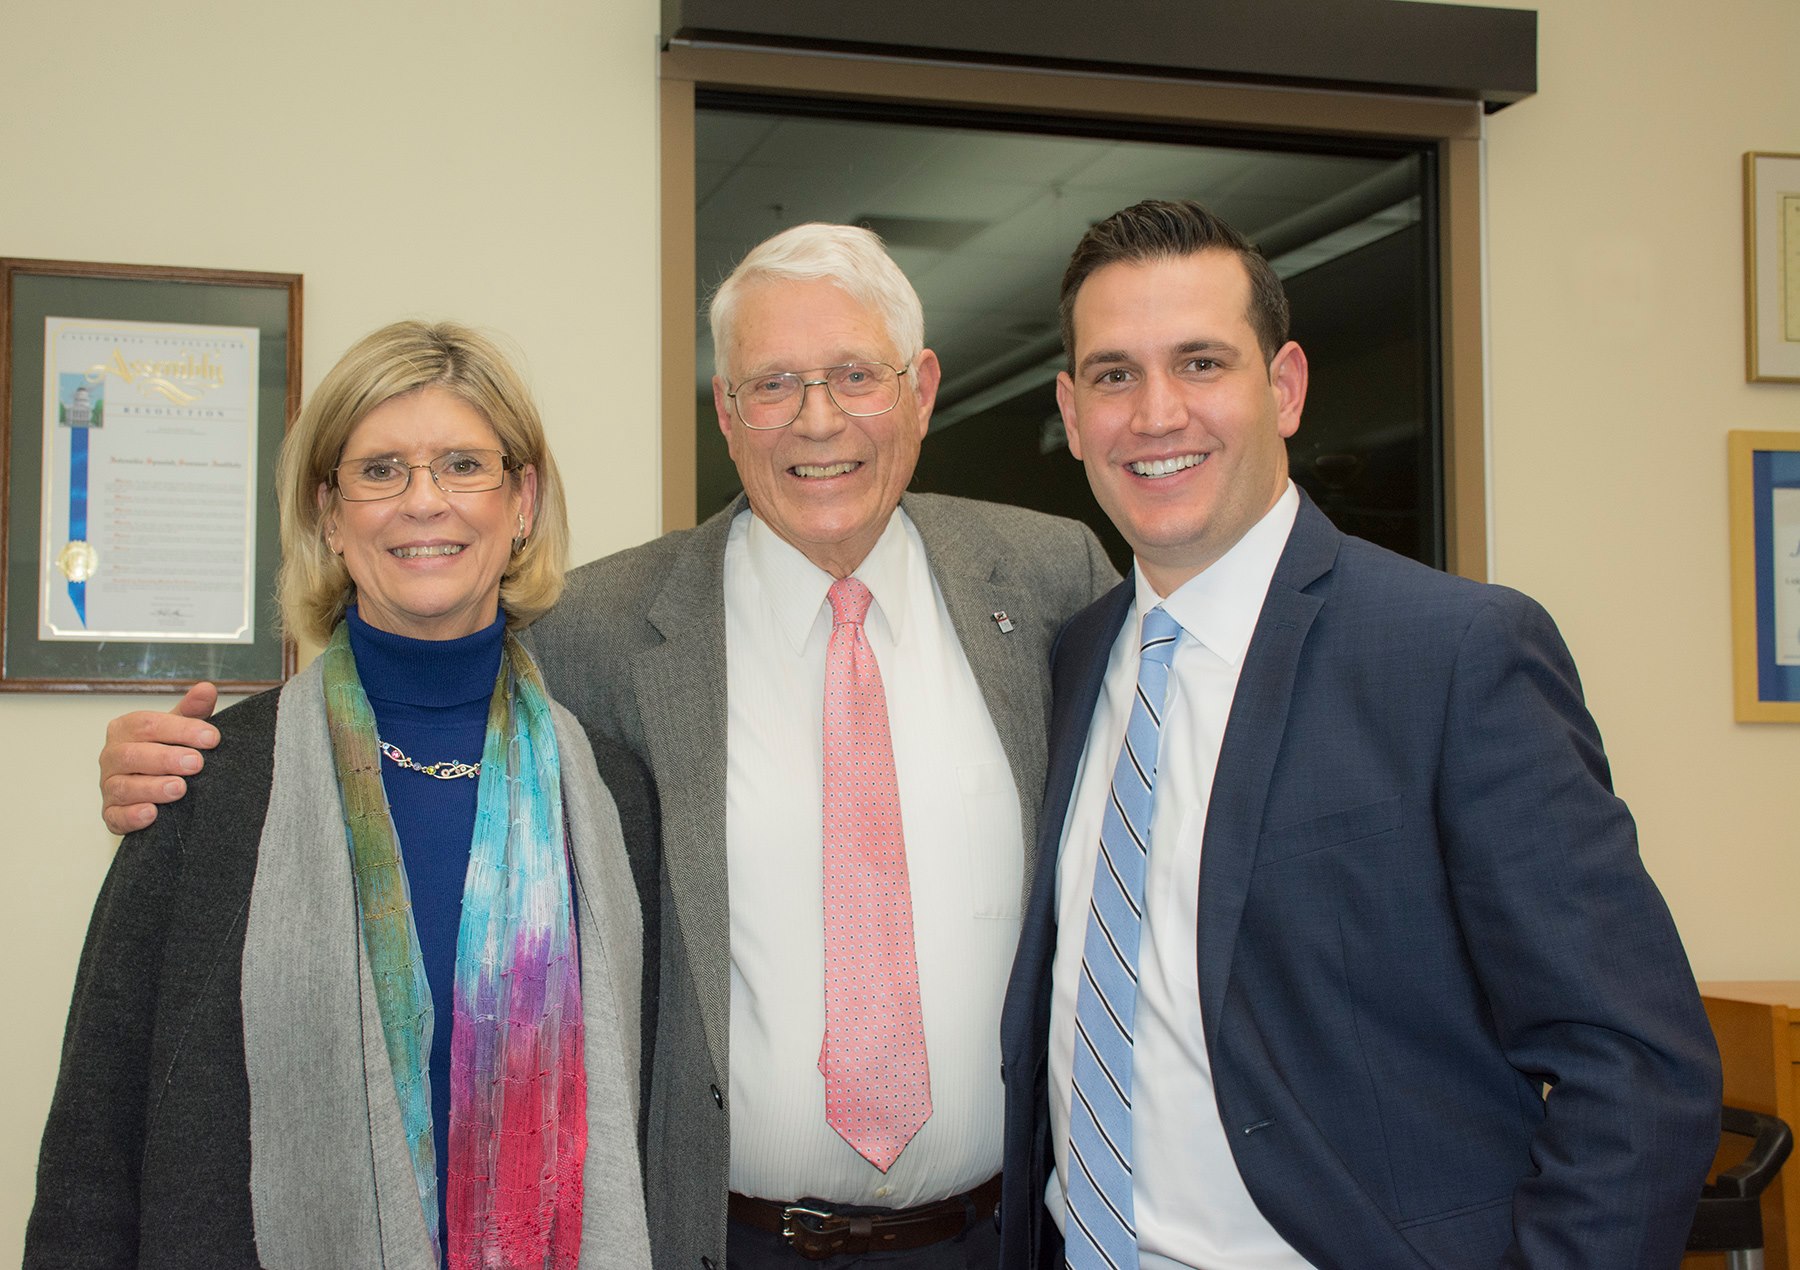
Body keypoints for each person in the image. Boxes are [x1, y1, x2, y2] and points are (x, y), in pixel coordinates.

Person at [96, 226, 1120, 1269]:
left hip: (1004, 1236)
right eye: (771, 384)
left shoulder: (1048, 581)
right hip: (724, 1237)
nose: (818, 420)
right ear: (726, 410)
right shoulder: (600, 630)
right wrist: (191, 759)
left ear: (922, 387)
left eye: (856, 374)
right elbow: (402, 683)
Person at [996, 198, 1723, 1270]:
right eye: (1114, 375)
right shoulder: (1076, 658)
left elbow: (1641, 1068)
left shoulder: (1455, 655)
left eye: (1201, 363)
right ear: (1070, 407)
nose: (1155, 414)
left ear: (1283, 387)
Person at [34, 321, 654, 1269]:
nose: (423, 502)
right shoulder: (210, 780)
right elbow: (97, 1130)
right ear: (329, 513)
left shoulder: (610, 794)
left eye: (461, 464)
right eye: (379, 471)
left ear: (521, 500)